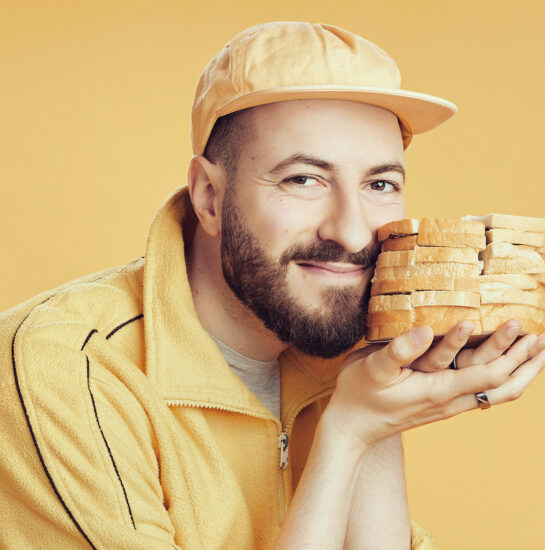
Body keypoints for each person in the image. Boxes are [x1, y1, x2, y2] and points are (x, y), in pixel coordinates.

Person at [0, 21, 543, 550]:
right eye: (303, 179)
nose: (353, 231)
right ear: (209, 197)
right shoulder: (63, 367)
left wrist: (375, 415)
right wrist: (347, 433)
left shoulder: (342, 353)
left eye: (380, 183)